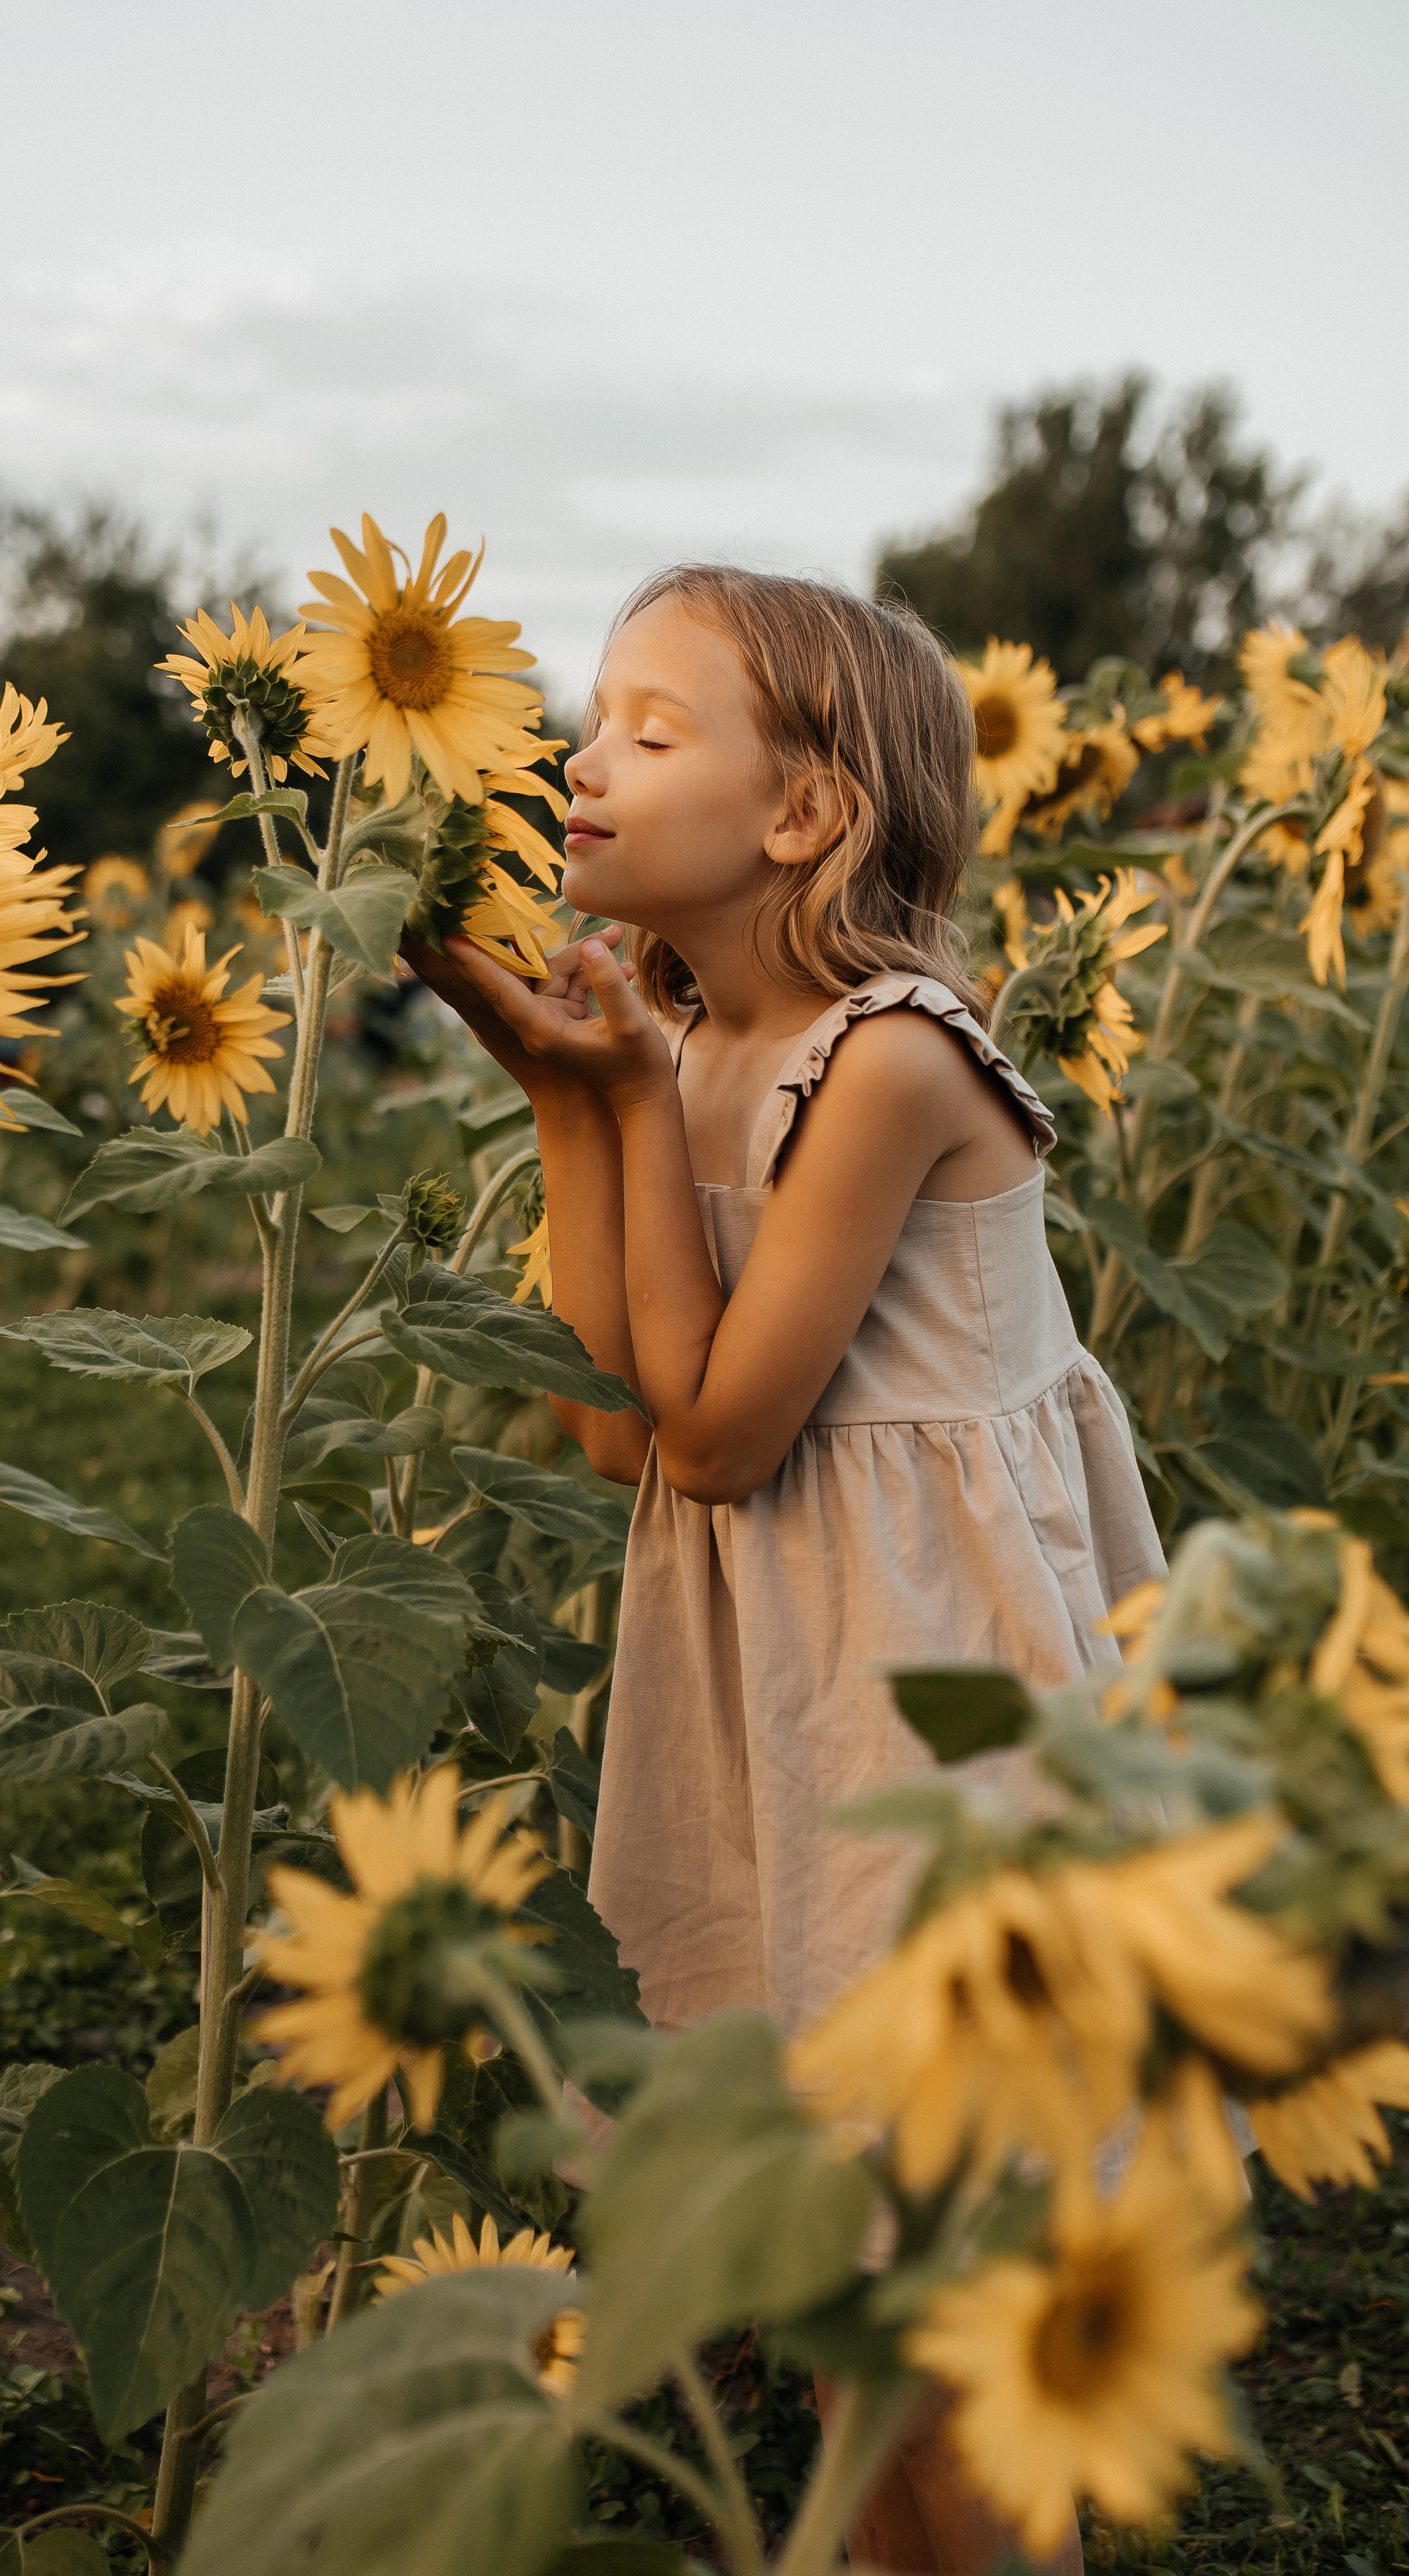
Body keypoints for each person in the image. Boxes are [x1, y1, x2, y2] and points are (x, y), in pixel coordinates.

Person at [409, 564, 1165, 2573]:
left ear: (806, 813)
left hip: (933, 1705)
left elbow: (727, 1436)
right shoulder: (674, 1032)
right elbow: (614, 1422)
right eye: (596, 719)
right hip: (786, 1694)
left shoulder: (895, 1055)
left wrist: (633, 1095)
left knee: (931, 2297)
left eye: (656, 732)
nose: (586, 758)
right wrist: (582, 1100)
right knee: (842, 2295)